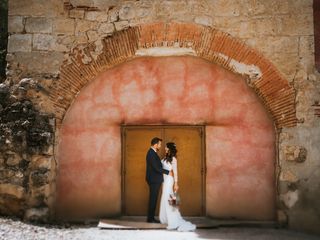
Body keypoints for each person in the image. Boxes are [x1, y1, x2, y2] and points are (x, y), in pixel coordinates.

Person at [159, 142, 196, 231]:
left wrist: (176, 183)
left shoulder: (173, 159)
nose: (165, 148)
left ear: (169, 148)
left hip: (170, 180)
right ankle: (166, 218)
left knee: (169, 198)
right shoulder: (165, 158)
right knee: (165, 198)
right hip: (165, 180)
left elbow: (175, 172)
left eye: (166, 147)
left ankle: (173, 220)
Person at [145, 137, 172, 223]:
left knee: (154, 198)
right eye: (160, 144)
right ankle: (150, 218)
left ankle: (151, 218)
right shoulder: (151, 153)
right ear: (155, 144)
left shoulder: (153, 153)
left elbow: (158, 166)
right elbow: (156, 167)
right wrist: (168, 172)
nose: (160, 146)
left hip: (156, 180)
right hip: (154, 180)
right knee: (153, 199)